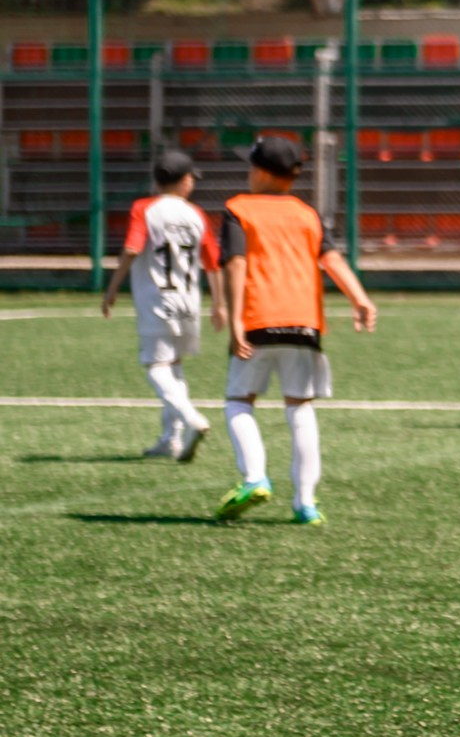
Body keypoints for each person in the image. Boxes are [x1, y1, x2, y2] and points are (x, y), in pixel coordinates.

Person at [212, 136, 378, 527]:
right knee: (300, 409)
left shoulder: (238, 209)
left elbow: (235, 263)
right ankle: (305, 503)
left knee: (239, 401)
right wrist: (360, 298)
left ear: (261, 172)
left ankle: (254, 478)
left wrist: (236, 318)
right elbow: (331, 257)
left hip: (258, 320)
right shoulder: (307, 214)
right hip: (304, 323)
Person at [101, 149, 224, 462]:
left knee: (156, 366)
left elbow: (131, 247)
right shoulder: (196, 214)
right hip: (188, 301)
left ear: (157, 181)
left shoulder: (145, 208)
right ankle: (172, 438)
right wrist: (219, 304)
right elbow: (213, 265)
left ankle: (190, 418)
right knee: (175, 365)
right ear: (184, 182)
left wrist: (112, 288)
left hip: (157, 299)